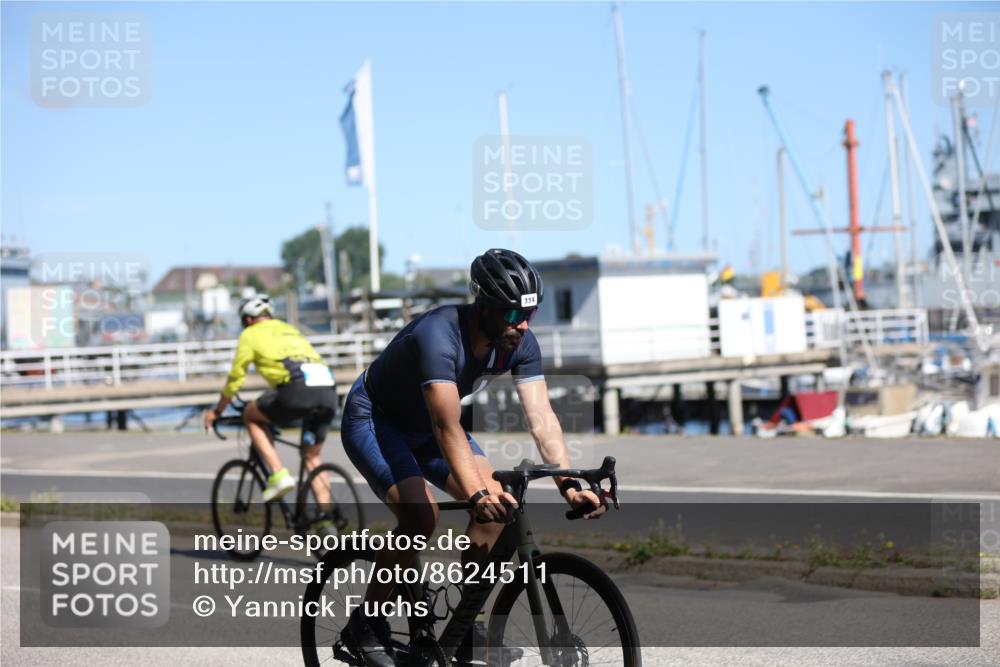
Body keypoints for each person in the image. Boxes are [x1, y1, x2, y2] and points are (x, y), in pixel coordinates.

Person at [340, 249, 607, 666]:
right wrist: (476, 493)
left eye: (528, 316)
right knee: (421, 517)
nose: (521, 325)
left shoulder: (520, 342)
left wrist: (568, 486)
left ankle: (466, 625)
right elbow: (447, 427)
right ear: (483, 305)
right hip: (376, 420)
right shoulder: (438, 335)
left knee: (501, 509)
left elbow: (543, 419)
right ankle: (365, 623)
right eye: (511, 314)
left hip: (428, 427)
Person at [203, 294, 337, 505]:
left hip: (296, 389)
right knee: (312, 457)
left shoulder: (250, 334)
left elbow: (235, 378)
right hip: (328, 390)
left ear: (247, 319)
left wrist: (217, 410)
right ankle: (327, 520)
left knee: (251, 415)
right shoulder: (288, 328)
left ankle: (278, 475)